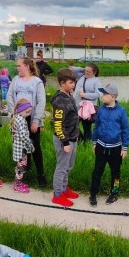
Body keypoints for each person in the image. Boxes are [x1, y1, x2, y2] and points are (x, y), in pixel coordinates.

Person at [6, 57, 48, 187]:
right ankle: (24, 170)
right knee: (21, 145)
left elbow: (41, 102)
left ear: (27, 67)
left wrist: (36, 121)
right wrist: (14, 115)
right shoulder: (15, 80)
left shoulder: (37, 82)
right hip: (19, 118)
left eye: (19, 66)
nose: (17, 68)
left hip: (32, 118)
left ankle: (40, 174)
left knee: (35, 146)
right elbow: (10, 96)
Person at [89, 84, 129, 207]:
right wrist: (94, 142)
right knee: (97, 171)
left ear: (112, 97)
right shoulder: (101, 109)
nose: (102, 96)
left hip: (116, 148)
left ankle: (114, 193)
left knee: (116, 172)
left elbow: (125, 130)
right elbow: (96, 126)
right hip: (101, 146)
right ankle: (93, 193)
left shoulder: (121, 111)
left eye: (105, 94)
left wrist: (125, 148)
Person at [50, 68, 81, 207]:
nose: (73, 84)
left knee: (69, 166)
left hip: (73, 138)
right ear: (62, 83)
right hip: (65, 140)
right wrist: (65, 142)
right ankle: (57, 194)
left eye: (74, 82)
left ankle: (64, 188)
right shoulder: (60, 101)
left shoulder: (69, 95)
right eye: (70, 82)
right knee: (62, 167)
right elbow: (57, 125)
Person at [11, 98, 35, 193]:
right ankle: (17, 185)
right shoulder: (21, 120)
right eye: (27, 112)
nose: (28, 114)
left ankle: (18, 182)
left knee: (19, 167)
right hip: (22, 149)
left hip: (18, 148)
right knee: (21, 168)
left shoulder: (16, 117)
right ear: (21, 110)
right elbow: (23, 136)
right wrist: (31, 146)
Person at [74, 62, 102, 142]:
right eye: (85, 71)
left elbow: (98, 94)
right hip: (78, 106)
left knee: (86, 126)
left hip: (88, 108)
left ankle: (87, 143)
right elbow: (73, 69)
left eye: (88, 72)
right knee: (73, 124)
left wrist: (85, 95)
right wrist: (84, 69)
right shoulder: (82, 77)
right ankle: (81, 139)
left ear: (94, 72)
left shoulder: (96, 81)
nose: (86, 73)